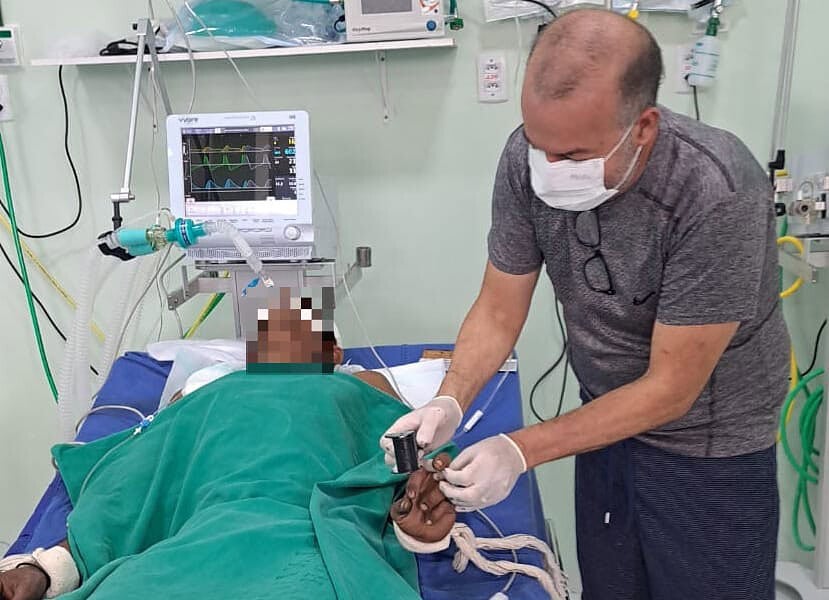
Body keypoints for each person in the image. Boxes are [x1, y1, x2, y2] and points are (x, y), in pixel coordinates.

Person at [381, 8, 788, 600]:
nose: (548, 168)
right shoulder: (528, 158)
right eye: (538, 145)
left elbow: (672, 388)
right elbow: (498, 309)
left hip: (710, 450)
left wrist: (520, 449)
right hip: (605, 425)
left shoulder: (715, 191)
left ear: (643, 127)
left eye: (571, 156)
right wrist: (449, 397)